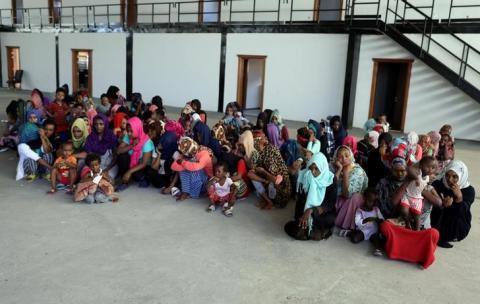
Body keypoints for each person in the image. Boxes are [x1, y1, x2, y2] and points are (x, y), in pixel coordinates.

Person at [284, 153, 336, 241]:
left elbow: (330, 204)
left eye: (316, 168)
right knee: (291, 226)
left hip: (322, 211)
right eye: (311, 168)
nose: (313, 172)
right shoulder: (305, 176)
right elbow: (300, 199)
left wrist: (312, 210)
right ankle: (310, 230)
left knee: (329, 219)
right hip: (305, 209)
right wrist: (303, 214)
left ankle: (313, 230)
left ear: (323, 167)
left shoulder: (331, 180)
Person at [431, 160, 475, 248]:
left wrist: (459, 198)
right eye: (447, 175)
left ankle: (448, 236)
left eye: (455, 176)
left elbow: (464, 213)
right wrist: (441, 204)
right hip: (436, 221)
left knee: (458, 214)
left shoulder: (468, 191)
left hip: (456, 225)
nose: (450, 180)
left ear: (462, 176)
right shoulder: (438, 184)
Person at [332, 145, 368, 235]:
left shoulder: (357, 171)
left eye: (346, 156)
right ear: (336, 158)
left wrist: (346, 174)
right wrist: (340, 169)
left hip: (352, 202)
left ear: (351, 156)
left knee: (356, 197)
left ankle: (349, 227)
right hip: (339, 200)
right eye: (340, 157)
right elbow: (331, 188)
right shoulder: (334, 168)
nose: (343, 159)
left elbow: (347, 194)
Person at [249, 133, 291, 209]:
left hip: (280, 186)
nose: (254, 143)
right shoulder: (258, 153)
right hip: (268, 178)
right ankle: (268, 200)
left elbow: (276, 180)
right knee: (250, 174)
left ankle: (269, 201)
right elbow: (253, 168)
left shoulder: (271, 151)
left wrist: (263, 172)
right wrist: (262, 177)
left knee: (267, 180)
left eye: (257, 140)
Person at [116, 117, 154, 190]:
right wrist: (131, 145)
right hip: (131, 163)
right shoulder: (128, 137)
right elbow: (118, 151)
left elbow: (144, 163)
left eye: (131, 131)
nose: (129, 133)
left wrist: (129, 172)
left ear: (138, 129)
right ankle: (125, 182)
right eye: (128, 131)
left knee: (138, 174)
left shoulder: (146, 142)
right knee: (122, 157)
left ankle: (142, 178)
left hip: (141, 166)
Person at [398, 157, 436, 230]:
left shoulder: (428, 178)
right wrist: (416, 178)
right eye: (428, 166)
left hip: (417, 198)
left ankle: (417, 231)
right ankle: (407, 222)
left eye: (433, 168)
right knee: (404, 211)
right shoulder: (418, 172)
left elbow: (423, 185)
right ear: (420, 165)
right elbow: (408, 169)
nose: (430, 169)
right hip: (408, 195)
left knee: (417, 216)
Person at [171, 137, 213, 201]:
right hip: (195, 180)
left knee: (191, 166)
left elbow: (195, 167)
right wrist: (183, 163)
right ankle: (186, 192)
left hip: (206, 181)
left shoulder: (204, 153)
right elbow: (174, 166)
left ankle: (193, 194)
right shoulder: (189, 151)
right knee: (185, 167)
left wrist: (182, 162)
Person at [16, 113, 55, 181]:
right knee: (32, 156)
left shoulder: (55, 139)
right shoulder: (34, 138)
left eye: (50, 130)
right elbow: (34, 157)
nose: (47, 131)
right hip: (33, 165)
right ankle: (33, 173)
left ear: (54, 131)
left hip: (44, 166)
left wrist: (43, 138)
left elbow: (47, 150)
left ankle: (47, 173)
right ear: (42, 129)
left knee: (48, 154)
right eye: (46, 129)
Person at [349, 187, 385, 257]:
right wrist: (367, 219)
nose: (371, 204)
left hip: (373, 231)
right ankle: (349, 233)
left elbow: (382, 219)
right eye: (370, 201)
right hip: (363, 231)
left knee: (377, 239)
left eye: (373, 202)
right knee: (355, 239)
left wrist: (378, 220)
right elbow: (358, 222)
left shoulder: (376, 209)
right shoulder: (360, 210)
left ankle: (377, 249)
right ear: (364, 199)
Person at [84, 114, 118, 179]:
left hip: (110, 165)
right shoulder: (91, 137)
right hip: (95, 165)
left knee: (105, 178)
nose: (98, 126)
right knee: (88, 177)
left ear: (105, 124)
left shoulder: (111, 136)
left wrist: (106, 170)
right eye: (96, 124)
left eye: (101, 124)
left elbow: (115, 157)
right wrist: (95, 169)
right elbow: (89, 155)